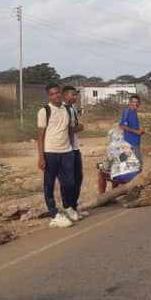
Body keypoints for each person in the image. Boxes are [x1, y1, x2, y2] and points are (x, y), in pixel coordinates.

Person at [37, 83, 78, 227]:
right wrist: (41, 157)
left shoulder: (68, 110)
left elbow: (70, 130)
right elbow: (40, 136)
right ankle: (54, 214)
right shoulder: (44, 111)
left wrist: (71, 148)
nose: (56, 95)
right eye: (52, 93)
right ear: (49, 96)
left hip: (66, 152)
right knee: (49, 184)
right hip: (50, 152)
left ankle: (67, 207)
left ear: (60, 93)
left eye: (57, 93)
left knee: (69, 183)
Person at [62, 85, 89, 219]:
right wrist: (79, 128)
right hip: (67, 149)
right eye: (72, 95)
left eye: (75, 94)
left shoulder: (72, 108)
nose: (75, 97)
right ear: (65, 95)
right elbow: (67, 130)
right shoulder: (63, 109)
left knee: (78, 178)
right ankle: (68, 207)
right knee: (69, 181)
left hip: (75, 148)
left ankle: (74, 206)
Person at [119, 95, 145, 167]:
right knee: (138, 164)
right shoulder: (127, 112)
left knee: (130, 165)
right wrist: (136, 132)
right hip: (130, 143)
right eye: (133, 102)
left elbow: (132, 126)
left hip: (135, 142)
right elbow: (122, 126)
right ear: (130, 102)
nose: (135, 104)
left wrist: (140, 131)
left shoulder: (134, 112)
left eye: (137, 102)